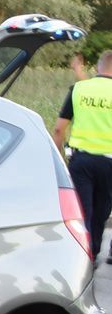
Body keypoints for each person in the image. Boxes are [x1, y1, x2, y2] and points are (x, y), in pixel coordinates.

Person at [54, 51, 112, 262]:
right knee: (101, 212)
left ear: (98, 67)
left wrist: (57, 160)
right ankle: (94, 251)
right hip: (109, 163)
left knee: (81, 211)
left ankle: (80, 256)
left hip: (81, 163)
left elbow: (59, 129)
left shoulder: (79, 89)